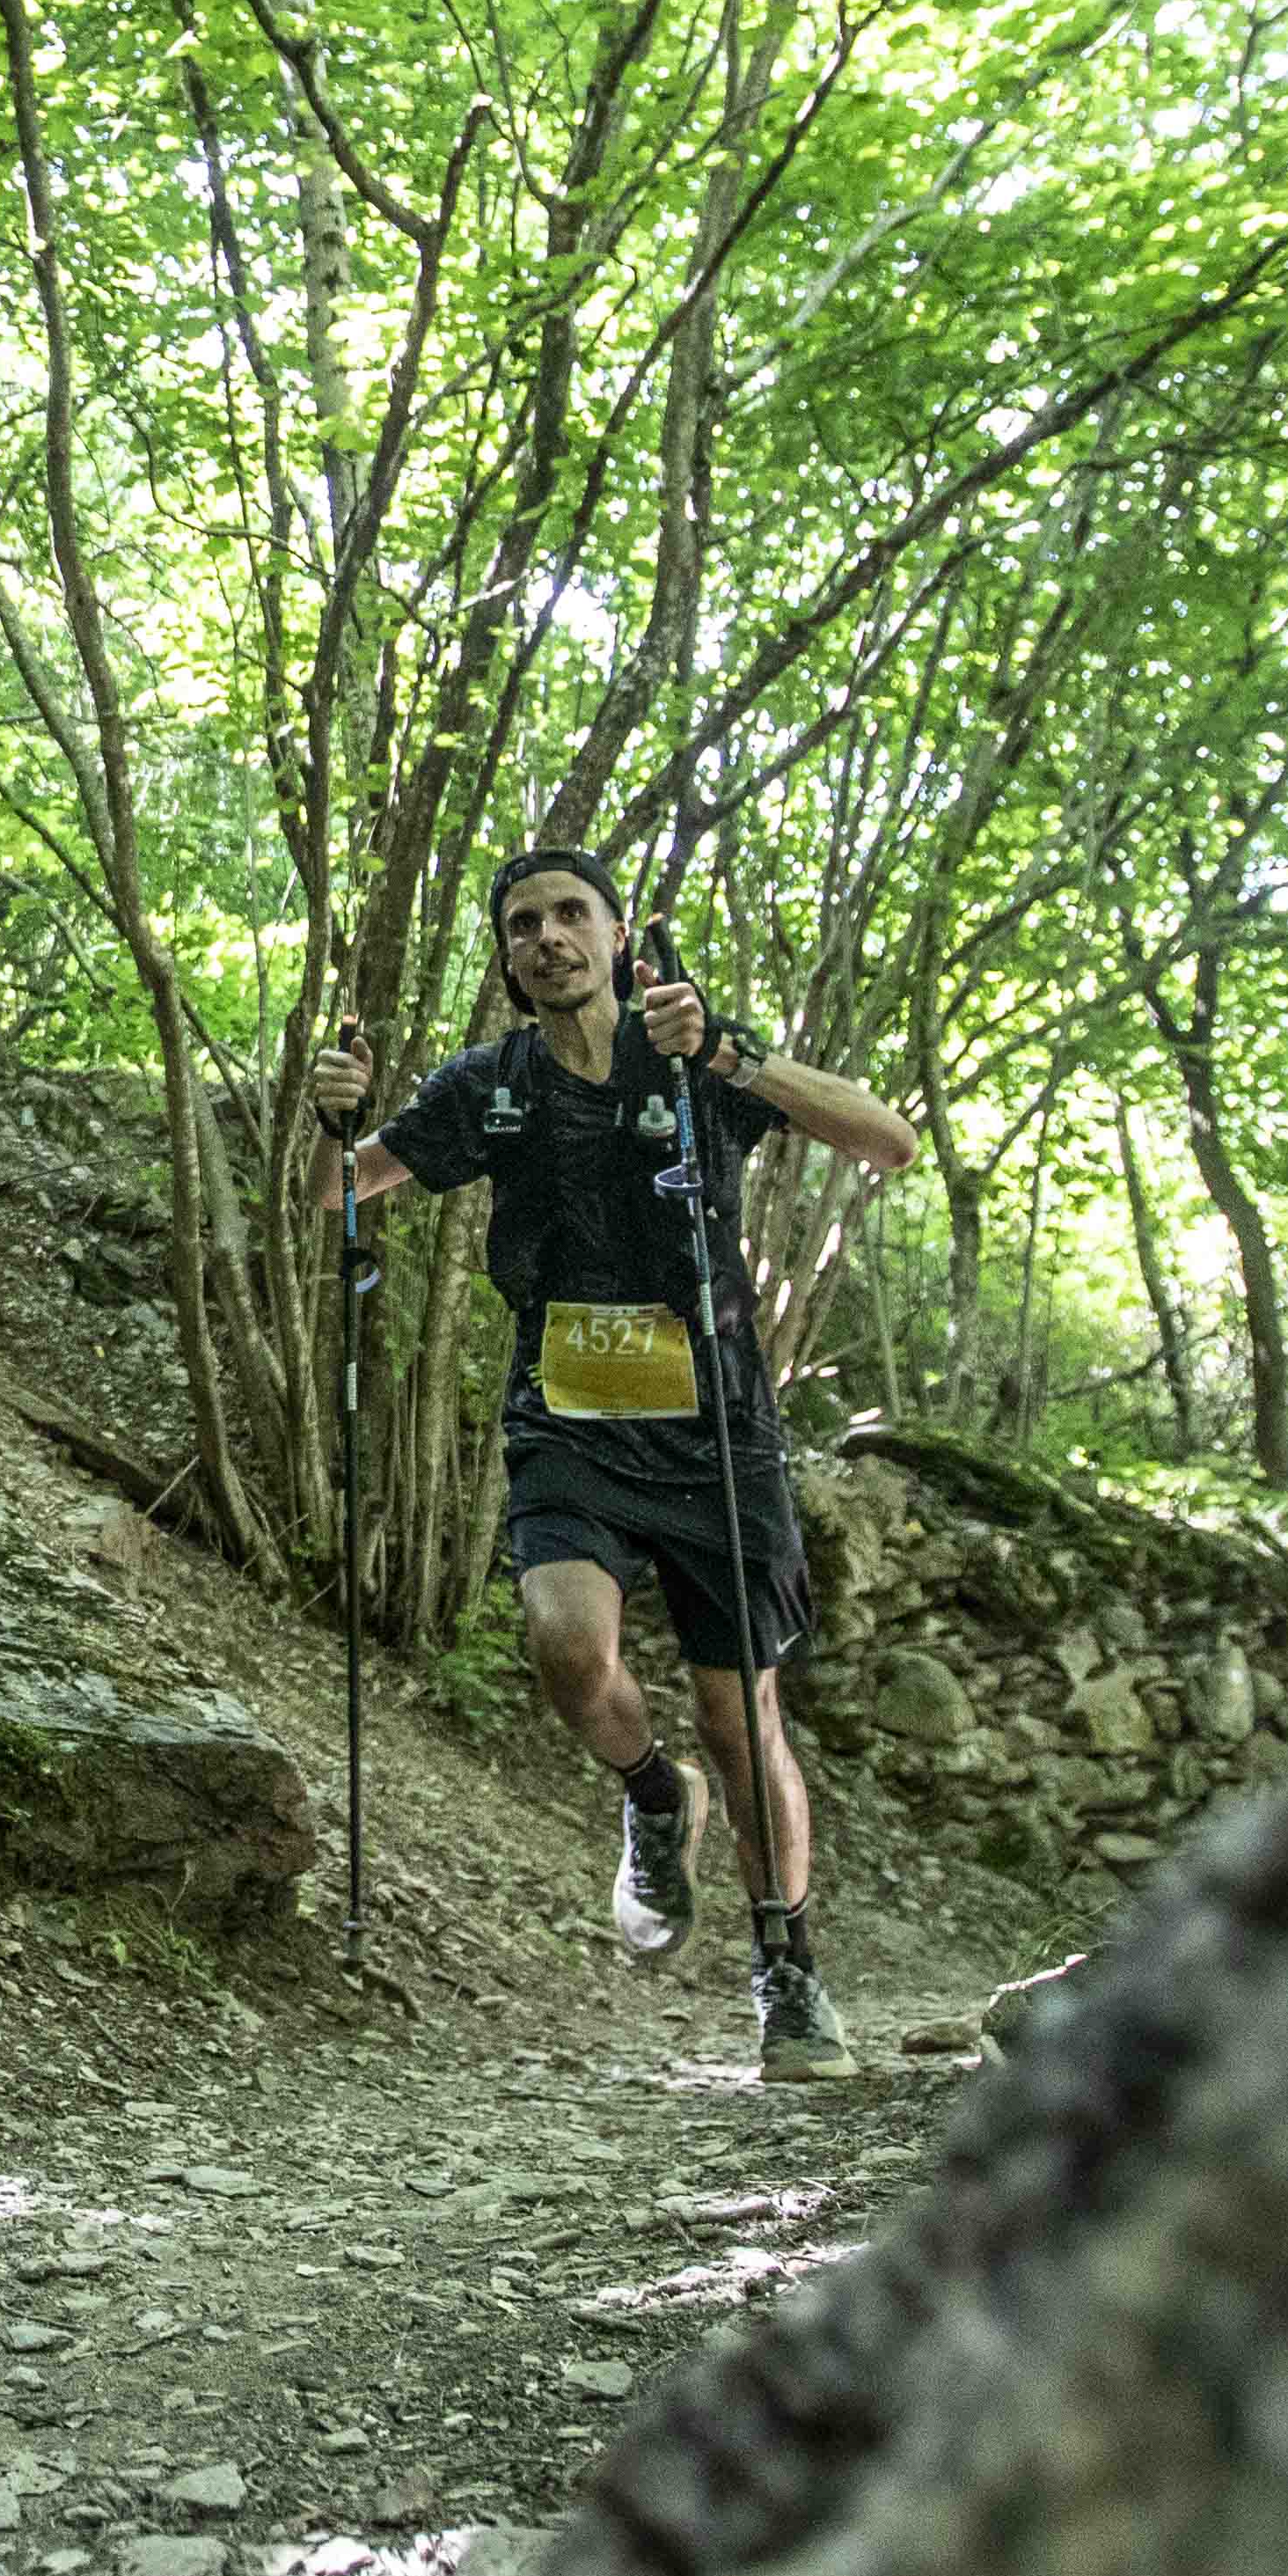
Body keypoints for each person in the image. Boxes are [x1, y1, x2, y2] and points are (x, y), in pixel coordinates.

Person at [311, 843, 922, 2082]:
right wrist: (331, 1123)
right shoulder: (489, 1085)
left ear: (616, 934)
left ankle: (788, 1969)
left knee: (741, 1721)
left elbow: (889, 1142)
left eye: (571, 915)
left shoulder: (692, 1053)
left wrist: (733, 1059)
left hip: (718, 1432)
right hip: (568, 1420)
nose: (548, 938)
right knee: (567, 1650)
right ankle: (650, 1793)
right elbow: (343, 1194)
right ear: (507, 956)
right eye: (523, 924)